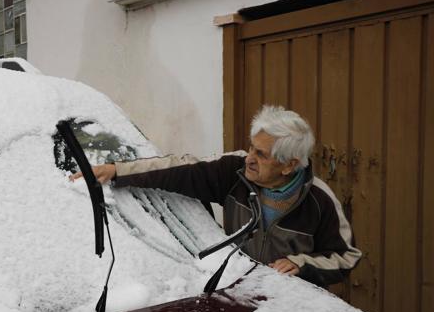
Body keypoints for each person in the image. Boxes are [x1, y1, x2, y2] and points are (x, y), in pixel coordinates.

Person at [71, 105, 361, 288]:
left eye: (261, 155)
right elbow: (177, 169)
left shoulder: (319, 200)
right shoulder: (232, 172)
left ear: (289, 165)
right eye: (251, 148)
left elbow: (346, 257)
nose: (249, 158)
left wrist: (303, 264)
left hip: (291, 307)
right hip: (236, 293)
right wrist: (117, 170)